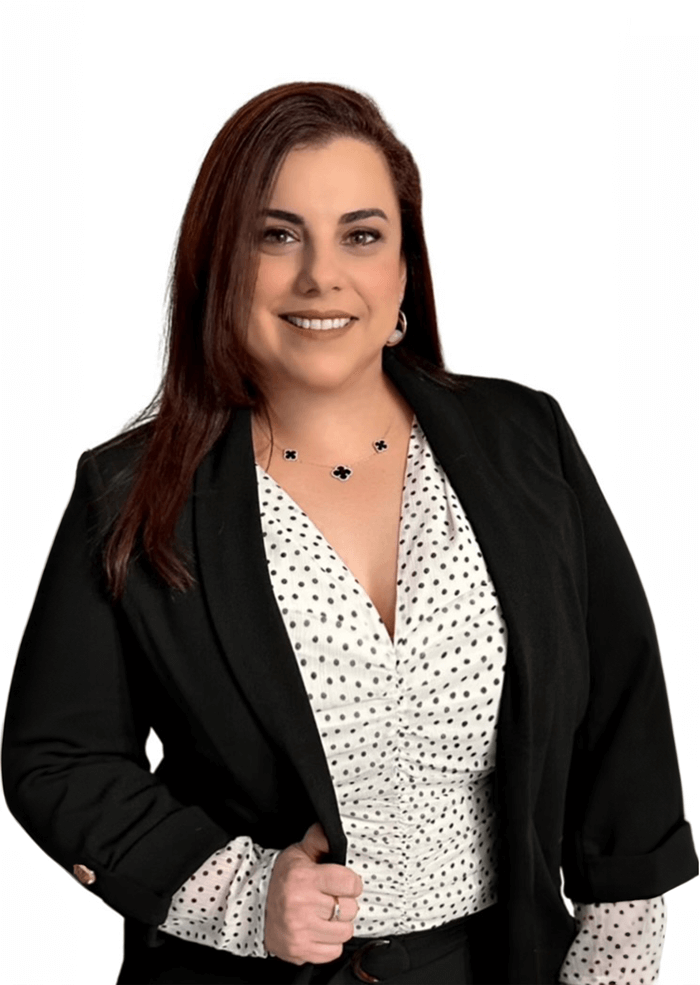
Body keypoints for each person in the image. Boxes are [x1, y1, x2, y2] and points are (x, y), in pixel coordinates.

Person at [2, 81, 697, 985]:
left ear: (404, 268)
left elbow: (620, 699)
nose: (320, 276)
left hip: (497, 963)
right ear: (222, 265)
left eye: (361, 236)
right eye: (276, 235)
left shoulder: (524, 438)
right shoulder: (131, 490)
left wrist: (616, 953)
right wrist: (237, 894)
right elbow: (59, 755)